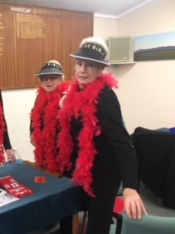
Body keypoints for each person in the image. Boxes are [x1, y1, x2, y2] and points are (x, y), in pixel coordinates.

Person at [57, 37, 147, 234]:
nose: (82, 70)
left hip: (104, 176)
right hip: (82, 170)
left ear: (100, 70)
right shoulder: (76, 91)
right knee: (68, 213)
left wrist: (130, 187)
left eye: (90, 65)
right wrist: (65, 107)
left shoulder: (105, 98)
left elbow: (125, 145)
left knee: (97, 228)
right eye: (79, 64)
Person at [30, 60, 70, 173]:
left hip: (61, 154)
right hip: (43, 151)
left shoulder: (67, 97)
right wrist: (32, 132)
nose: (48, 81)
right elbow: (34, 116)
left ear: (61, 79)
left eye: (53, 77)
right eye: (44, 78)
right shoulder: (40, 96)